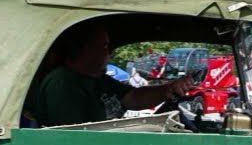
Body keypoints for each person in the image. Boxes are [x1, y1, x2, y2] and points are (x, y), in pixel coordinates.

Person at [28, 21, 191, 127]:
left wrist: (167, 90)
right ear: (85, 48)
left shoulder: (99, 80)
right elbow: (72, 135)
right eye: (105, 46)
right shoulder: (63, 83)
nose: (109, 53)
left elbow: (132, 97)